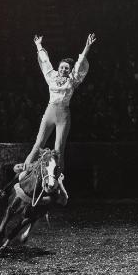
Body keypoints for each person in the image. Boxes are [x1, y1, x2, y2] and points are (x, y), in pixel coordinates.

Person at [14, 33, 96, 174]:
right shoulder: (51, 76)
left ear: (70, 70)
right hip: (50, 112)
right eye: (62, 67)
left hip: (63, 115)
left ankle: (57, 178)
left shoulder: (73, 79)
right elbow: (45, 62)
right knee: (38, 144)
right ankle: (24, 174)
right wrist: (38, 45)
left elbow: (80, 62)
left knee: (59, 148)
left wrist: (87, 46)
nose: (64, 69)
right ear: (59, 67)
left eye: (67, 68)